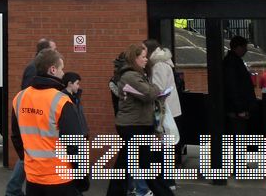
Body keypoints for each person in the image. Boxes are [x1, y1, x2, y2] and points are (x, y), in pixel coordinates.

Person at [12, 49, 86, 196]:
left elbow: (16, 137)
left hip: (33, 177)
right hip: (60, 179)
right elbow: (75, 144)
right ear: (52, 69)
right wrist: (81, 177)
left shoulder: (19, 98)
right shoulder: (61, 101)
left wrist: (30, 162)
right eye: (61, 68)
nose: (63, 73)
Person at [105, 44, 173, 196]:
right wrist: (156, 88)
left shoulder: (137, 74)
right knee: (144, 164)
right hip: (133, 125)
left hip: (136, 124)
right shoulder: (130, 76)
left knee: (128, 164)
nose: (146, 60)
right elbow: (149, 93)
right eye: (143, 57)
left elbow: (148, 92)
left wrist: (153, 90)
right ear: (134, 58)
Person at [8, 37, 57, 196]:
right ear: (46, 51)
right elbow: (29, 92)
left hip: (36, 117)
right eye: (53, 49)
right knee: (27, 156)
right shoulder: (33, 68)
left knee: (28, 156)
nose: (56, 52)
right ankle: (13, 189)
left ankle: (13, 189)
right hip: (34, 118)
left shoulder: (36, 66)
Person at [144, 39, 181, 191]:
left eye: (145, 50)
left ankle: (166, 181)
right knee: (167, 147)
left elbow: (158, 89)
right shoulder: (165, 62)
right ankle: (168, 180)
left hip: (163, 111)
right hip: (170, 109)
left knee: (163, 148)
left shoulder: (158, 65)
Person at [222, 35, 257, 136]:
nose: (246, 50)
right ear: (238, 47)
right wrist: (240, 109)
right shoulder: (233, 63)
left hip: (236, 108)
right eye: (244, 47)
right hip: (237, 110)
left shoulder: (232, 61)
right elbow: (233, 87)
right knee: (239, 136)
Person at [61, 72, 90, 139]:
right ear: (70, 84)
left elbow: (80, 117)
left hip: (82, 136)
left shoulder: (76, 98)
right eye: (77, 83)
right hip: (71, 140)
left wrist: (85, 132)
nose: (78, 86)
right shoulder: (62, 99)